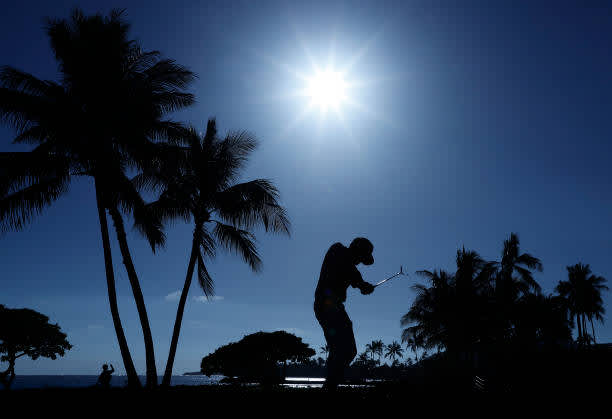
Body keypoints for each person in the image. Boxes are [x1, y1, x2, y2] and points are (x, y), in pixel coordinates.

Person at [314, 237, 375, 390]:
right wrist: (362, 284)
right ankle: (330, 386)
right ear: (357, 251)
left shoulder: (350, 265)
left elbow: (352, 273)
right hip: (327, 304)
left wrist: (362, 285)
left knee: (343, 350)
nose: (360, 262)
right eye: (361, 258)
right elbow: (349, 268)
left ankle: (330, 386)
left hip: (333, 306)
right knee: (345, 350)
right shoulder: (338, 249)